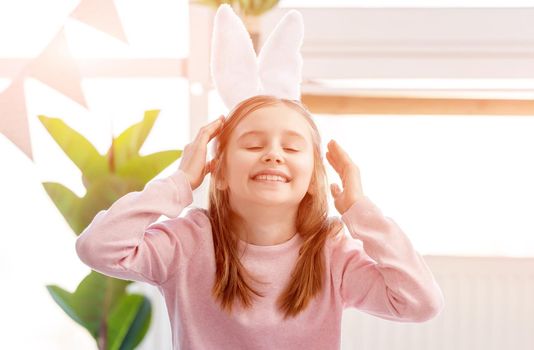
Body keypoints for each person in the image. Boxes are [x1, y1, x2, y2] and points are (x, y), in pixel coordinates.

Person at [76, 5, 444, 350]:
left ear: (313, 174)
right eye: (253, 144)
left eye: (292, 147)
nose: (273, 154)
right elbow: (98, 248)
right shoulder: (188, 243)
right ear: (218, 171)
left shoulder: (330, 252)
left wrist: (361, 212)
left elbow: (419, 302)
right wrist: (179, 184)